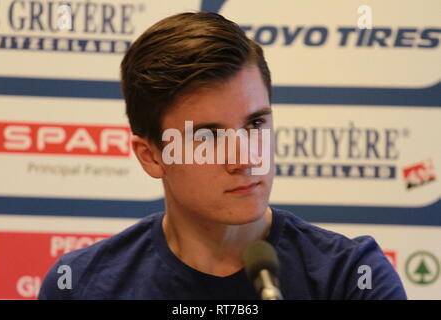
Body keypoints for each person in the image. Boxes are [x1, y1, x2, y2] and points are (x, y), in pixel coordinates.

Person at [38, 12, 407, 300]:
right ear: (151, 156)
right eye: (208, 136)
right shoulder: (80, 285)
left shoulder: (353, 279)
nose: (245, 158)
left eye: (256, 123)